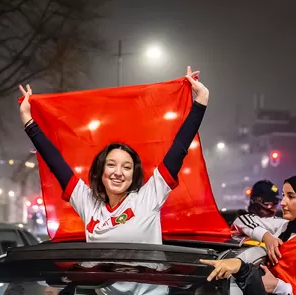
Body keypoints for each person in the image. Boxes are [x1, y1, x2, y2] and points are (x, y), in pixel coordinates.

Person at [19, 66, 208, 245]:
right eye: (111, 165)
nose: (118, 172)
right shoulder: (87, 202)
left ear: (133, 175)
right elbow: (55, 162)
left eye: (127, 167)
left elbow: (179, 149)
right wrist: (28, 120)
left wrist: (201, 101)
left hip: (144, 280)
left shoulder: (148, 197)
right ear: (100, 171)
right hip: (99, 280)